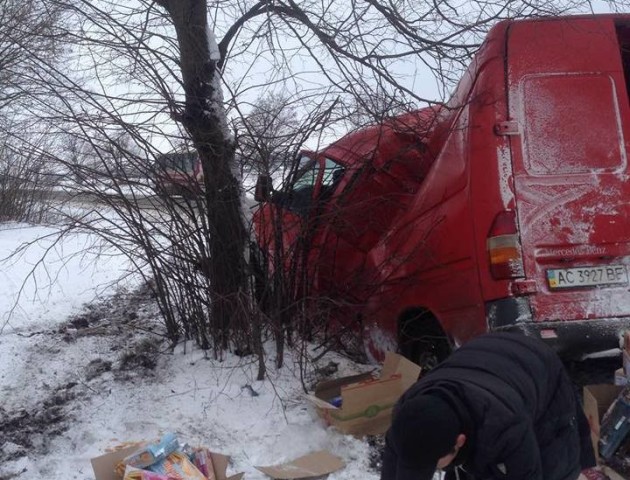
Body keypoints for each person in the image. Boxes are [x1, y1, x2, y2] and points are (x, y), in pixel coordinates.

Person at [381, 332, 598, 480]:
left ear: (459, 441)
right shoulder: (405, 420)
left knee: (554, 466)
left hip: (535, 364)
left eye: (432, 463)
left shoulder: (505, 426)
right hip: (482, 361)